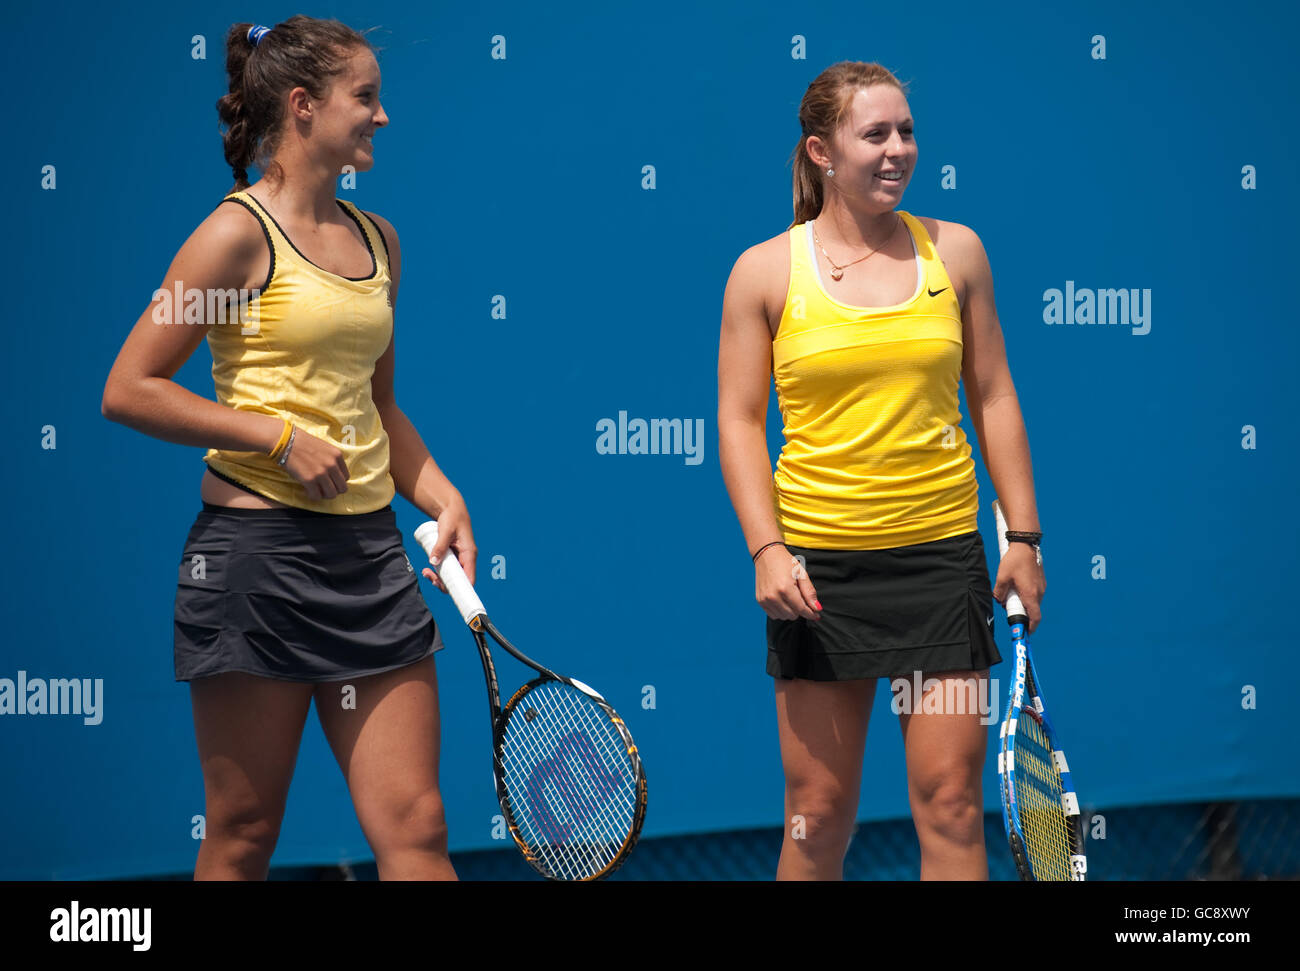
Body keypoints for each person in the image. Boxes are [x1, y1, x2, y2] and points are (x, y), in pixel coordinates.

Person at [101, 17, 472, 880]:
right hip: (255, 564)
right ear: (303, 107)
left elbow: (378, 405)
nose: (384, 117)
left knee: (417, 827)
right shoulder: (233, 237)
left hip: (371, 558)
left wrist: (442, 495)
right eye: (367, 98)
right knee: (243, 832)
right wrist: (275, 435)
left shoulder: (380, 240)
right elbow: (130, 386)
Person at [717, 61, 1046, 880]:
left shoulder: (957, 253)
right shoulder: (763, 271)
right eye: (877, 134)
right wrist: (766, 549)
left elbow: (995, 396)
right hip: (817, 574)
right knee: (817, 816)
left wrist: (1025, 536)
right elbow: (739, 421)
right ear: (821, 152)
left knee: (953, 805)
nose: (898, 149)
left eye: (907, 131)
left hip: (943, 562)